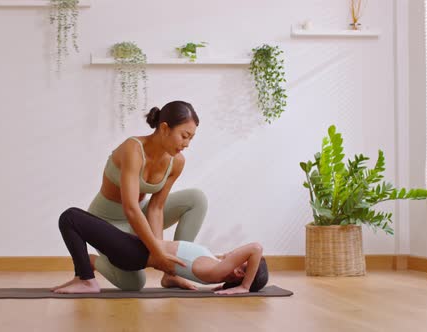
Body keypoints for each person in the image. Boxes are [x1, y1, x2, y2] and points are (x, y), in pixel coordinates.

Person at [65, 101, 208, 291]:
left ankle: (173, 274)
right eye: (184, 136)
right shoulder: (133, 148)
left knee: (196, 199)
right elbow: (130, 207)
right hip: (109, 223)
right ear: (165, 128)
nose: (187, 144)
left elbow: (156, 208)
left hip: (140, 215)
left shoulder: (177, 162)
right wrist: (156, 253)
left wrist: (162, 252)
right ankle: (92, 262)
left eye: (191, 138)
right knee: (133, 284)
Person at [51, 207, 268, 294]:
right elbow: (175, 269)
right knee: (75, 217)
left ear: (239, 273)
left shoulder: (217, 271)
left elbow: (256, 248)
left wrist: (245, 287)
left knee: (70, 217)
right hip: (134, 248)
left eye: (243, 264)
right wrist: (174, 278)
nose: (236, 254)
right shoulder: (213, 264)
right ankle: (82, 275)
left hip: (133, 253)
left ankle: (87, 280)